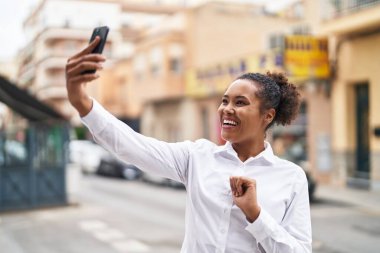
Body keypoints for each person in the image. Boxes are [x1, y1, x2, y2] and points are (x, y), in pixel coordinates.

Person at [66, 38, 312, 253]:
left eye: (240, 102)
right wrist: (81, 101)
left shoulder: (291, 178)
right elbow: (131, 146)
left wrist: (255, 215)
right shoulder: (197, 157)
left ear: (267, 116)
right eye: (224, 100)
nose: (227, 108)